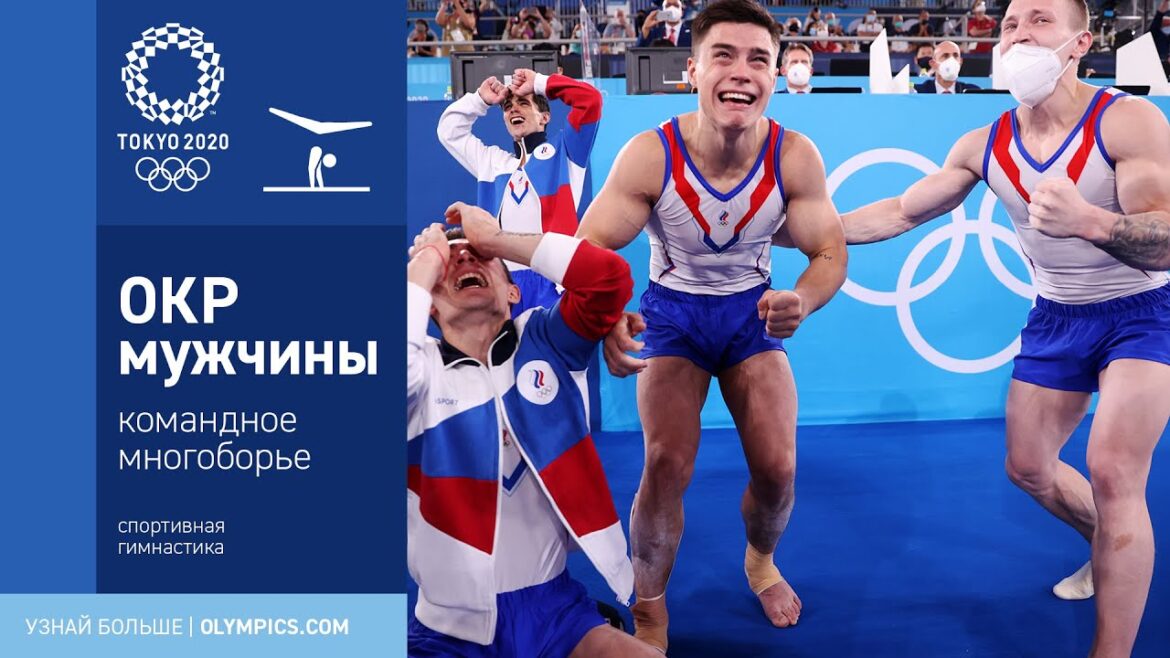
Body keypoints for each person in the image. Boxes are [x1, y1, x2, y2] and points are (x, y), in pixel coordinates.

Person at [840, 1, 1170, 655]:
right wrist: (799, 231)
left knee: (1111, 469)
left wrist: (1092, 222)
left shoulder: (1128, 121)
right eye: (1011, 23)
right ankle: (1105, 547)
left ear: (1080, 42)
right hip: (1056, 316)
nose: (1019, 33)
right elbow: (901, 212)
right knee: (1028, 468)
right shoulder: (983, 144)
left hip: (1142, 313)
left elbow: (1163, 242)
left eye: (1040, 20)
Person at [576, 0, 847, 651]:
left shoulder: (794, 157)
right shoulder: (651, 156)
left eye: (759, 59)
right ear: (691, 69)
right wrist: (605, 314)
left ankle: (759, 560)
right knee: (666, 463)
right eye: (723, 55)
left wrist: (804, 300)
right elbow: (587, 248)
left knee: (779, 471)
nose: (741, 72)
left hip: (750, 317)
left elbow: (830, 254)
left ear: (777, 76)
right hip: (674, 318)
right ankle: (649, 609)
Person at [406, 203, 660, 658]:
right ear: (430, 309)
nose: (464, 260)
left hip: (557, 612)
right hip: (447, 629)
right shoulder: (419, 370)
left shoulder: (544, 340)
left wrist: (499, 240)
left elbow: (609, 280)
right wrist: (423, 266)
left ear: (513, 293)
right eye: (450, 262)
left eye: (480, 258)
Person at [437, 69, 602, 315]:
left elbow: (591, 101)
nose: (513, 109)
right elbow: (449, 131)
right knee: (504, 354)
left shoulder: (565, 153)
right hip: (503, 285)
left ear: (544, 117)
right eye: (507, 107)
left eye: (523, 103)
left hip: (554, 280)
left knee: (555, 353)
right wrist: (479, 100)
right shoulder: (491, 162)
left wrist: (541, 84)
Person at [913, 40, 981, 94]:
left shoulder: (973, 92)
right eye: (945, 56)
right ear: (933, 63)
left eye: (955, 56)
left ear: (960, 62)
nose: (951, 60)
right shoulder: (918, 92)